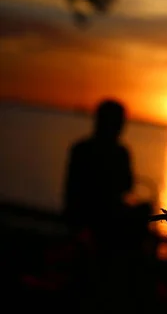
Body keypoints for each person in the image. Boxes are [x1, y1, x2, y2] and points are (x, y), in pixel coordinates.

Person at [63, 99, 141, 252]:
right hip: (99, 222)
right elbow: (127, 186)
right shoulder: (119, 153)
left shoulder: (81, 148)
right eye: (119, 122)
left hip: (83, 218)